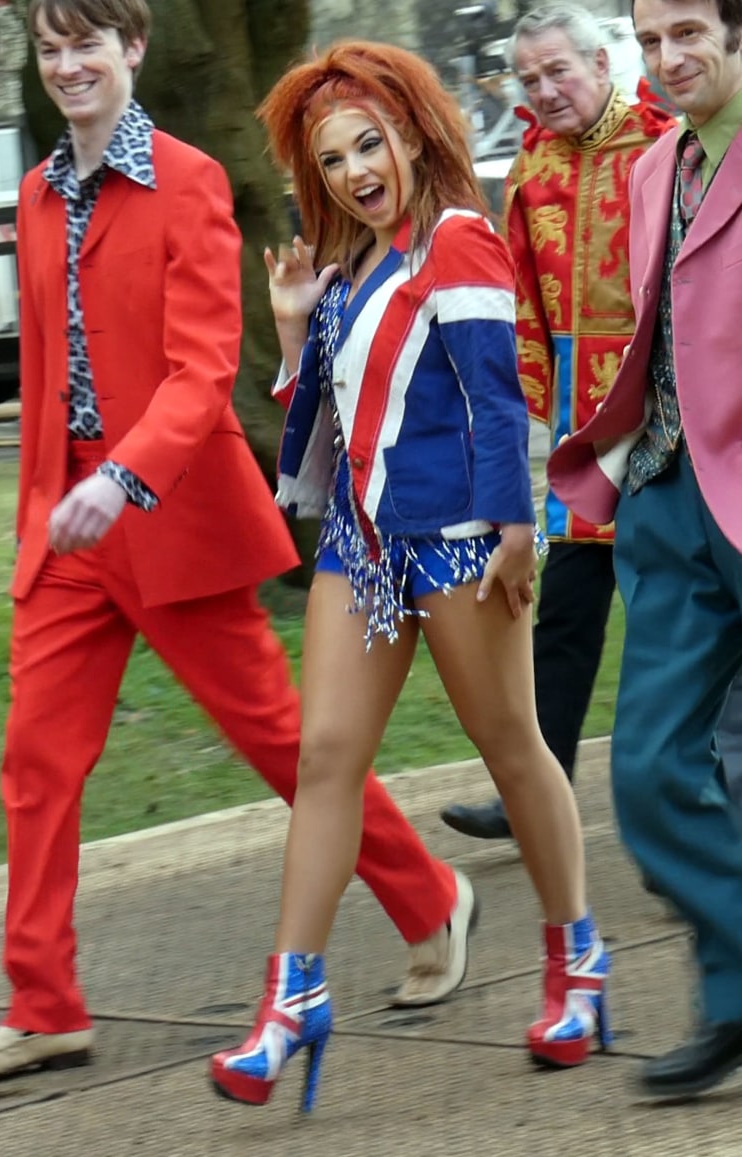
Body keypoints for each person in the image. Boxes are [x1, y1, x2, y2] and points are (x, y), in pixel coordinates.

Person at [0, 0, 480, 1083]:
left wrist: (124, 477)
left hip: (167, 522)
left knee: (286, 747)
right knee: (34, 764)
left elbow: (204, 366)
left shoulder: (188, 179)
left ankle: (432, 897)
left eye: (89, 44)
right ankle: (44, 1000)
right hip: (64, 526)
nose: (69, 65)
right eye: (51, 46)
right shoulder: (31, 192)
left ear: (134, 49)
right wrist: (57, 495)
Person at [210, 38, 610, 1114]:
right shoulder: (348, 267)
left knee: (512, 745)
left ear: (409, 133)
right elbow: (334, 418)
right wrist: (296, 329)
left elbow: (495, 400)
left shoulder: (461, 243)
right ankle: (290, 997)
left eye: (364, 143)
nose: (351, 171)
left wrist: (515, 529)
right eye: (331, 159)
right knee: (325, 754)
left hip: (457, 543)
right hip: (360, 545)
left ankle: (578, 962)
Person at [549, 0, 742, 1099]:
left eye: (687, 32)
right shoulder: (649, 169)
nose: (667, 60)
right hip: (668, 495)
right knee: (649, 768)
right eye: (650, 39)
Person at [441, 3, 673, 842]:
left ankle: (686, 803)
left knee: (674, 620)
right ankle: (534, 790)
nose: (542, 91)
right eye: (528, 78)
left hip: (665, 422)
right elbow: (522, 300)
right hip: (582, 432)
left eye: (557, 72)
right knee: (566, 620)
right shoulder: (529, 166)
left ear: (601, 65)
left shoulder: (664, 142)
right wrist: (533, 407)